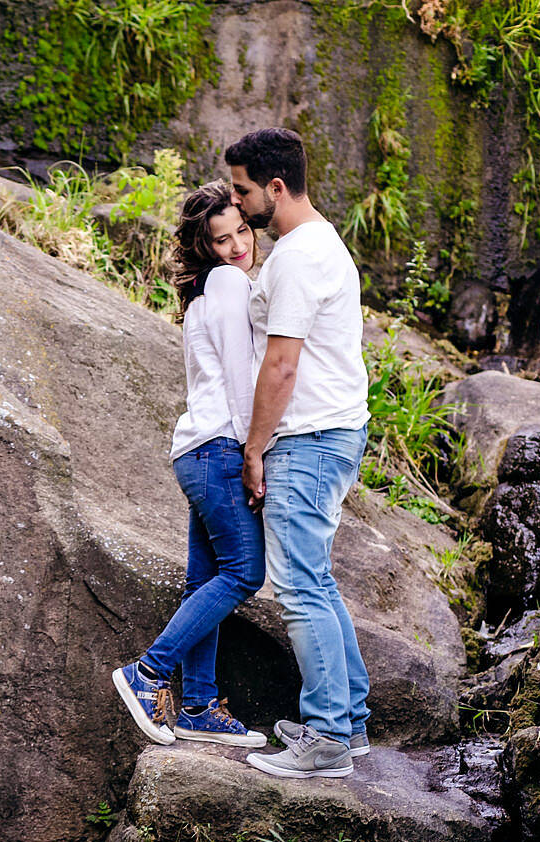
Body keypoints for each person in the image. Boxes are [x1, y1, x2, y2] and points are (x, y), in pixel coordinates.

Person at [225, 128, 371, 779]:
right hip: (331, 432)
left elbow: (281, 366)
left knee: (300, 584)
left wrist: (255, 448)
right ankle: (352, 720)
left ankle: (328, 739)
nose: (237, 201)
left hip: (308, 438)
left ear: (274, 188)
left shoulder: (297, 257)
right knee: (316, 578)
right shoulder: (317, 244)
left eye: (242, 190)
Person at [111, 181, 268, 750]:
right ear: (203, 248)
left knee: (206, 581)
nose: (235, 247)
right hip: (221, 449)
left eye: (242, 231)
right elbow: (240, 381)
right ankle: (147, 674)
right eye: (220, 240)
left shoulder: (204, 294)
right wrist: (258, 451)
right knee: (244, 572)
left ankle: (199, 706)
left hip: (197, 454)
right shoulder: (227, 284)